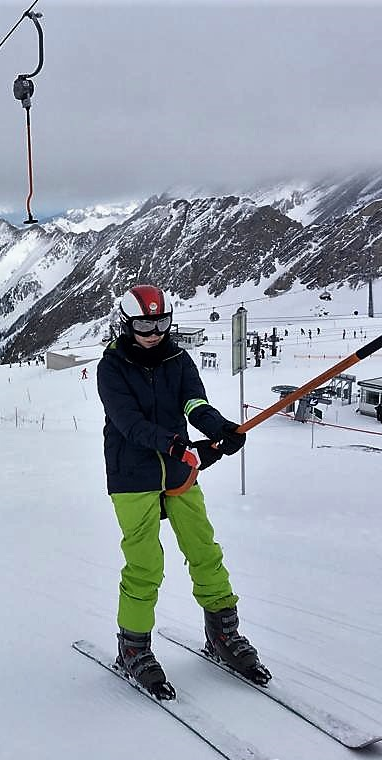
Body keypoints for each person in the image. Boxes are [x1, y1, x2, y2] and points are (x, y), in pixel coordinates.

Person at [97, 285, 269, 701]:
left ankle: (222, 634)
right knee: (145, 564)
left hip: (178, 470)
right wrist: (178, 446)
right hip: (132, 473)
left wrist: (220, 428)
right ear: (127, 325)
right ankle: (133, 646)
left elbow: (194, 403)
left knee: (204, 549)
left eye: (161, 323)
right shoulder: (111, 367)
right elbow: (129, 423)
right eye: (144, 325)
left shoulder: (178, 358)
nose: (154, 333)